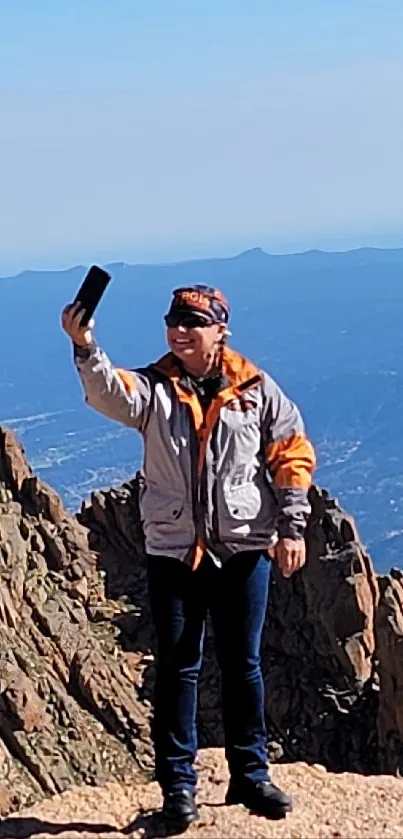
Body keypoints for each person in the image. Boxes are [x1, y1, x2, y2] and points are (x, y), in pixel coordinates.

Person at [61, 283, 316, 829]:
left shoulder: (255, 388)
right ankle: (178, 786)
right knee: (179, 668)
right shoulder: (154, 389)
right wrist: (84, 345)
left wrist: (292, 528)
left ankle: (251, 775)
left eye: (193, 321)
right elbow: (110, 392)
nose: (180, 329)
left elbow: (291, 452)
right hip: (175, 552)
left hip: (244, 548)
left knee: (243, 665)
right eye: (174, 320)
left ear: (220, 330)